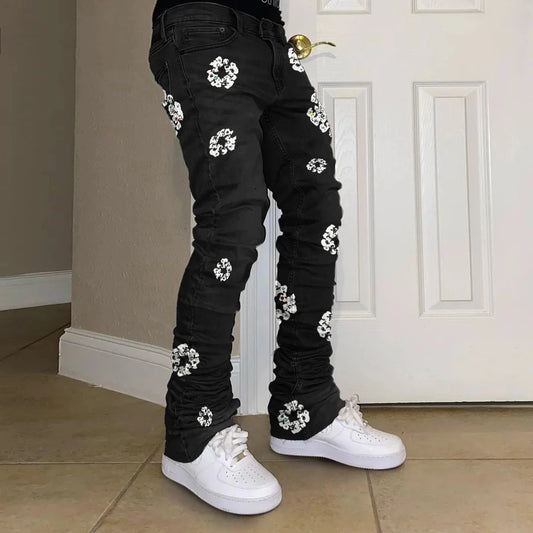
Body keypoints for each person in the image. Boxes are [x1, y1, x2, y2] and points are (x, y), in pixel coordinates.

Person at [148, 0, 406, 515]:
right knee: (232, 221)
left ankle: (303, 404)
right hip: (202, 27)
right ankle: (193, 427)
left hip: (271, 36)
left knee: (317, 210)